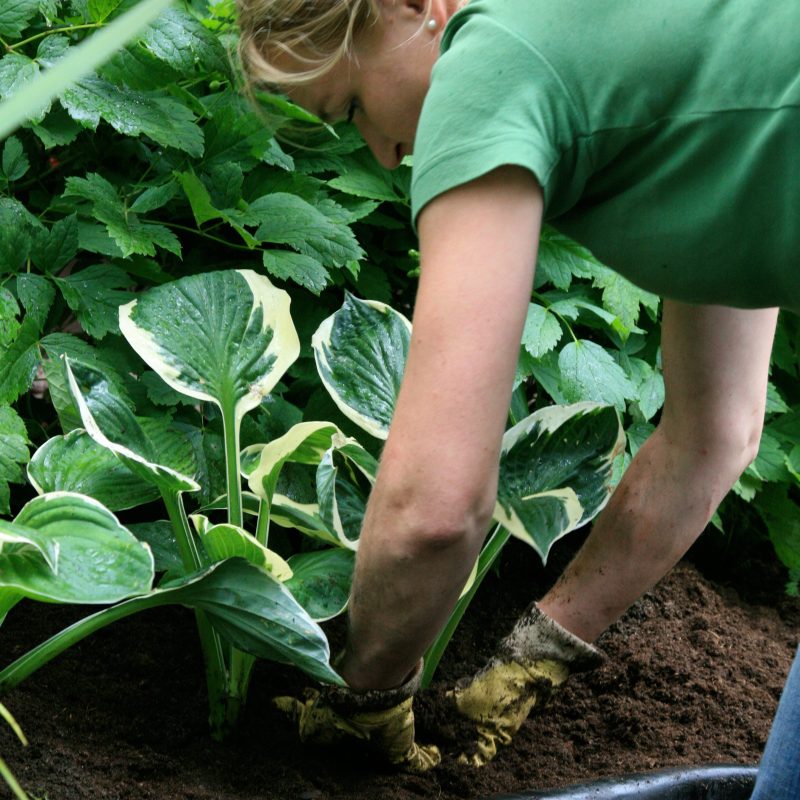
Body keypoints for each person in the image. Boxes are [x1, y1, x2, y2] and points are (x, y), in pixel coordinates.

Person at [237, 0, 800, 772]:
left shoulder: (490, 58)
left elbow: (433, 511)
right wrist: (533, 659)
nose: (382, 151)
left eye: (354, 105)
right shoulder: (656, 57)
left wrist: (362, 697)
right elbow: (714, 435)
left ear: (412, 7)